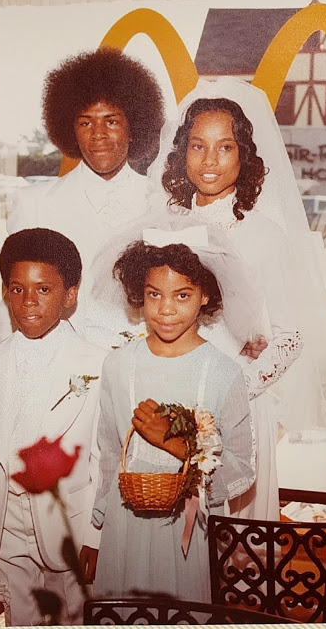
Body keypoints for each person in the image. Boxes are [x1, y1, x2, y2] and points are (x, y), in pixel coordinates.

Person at [149, 78, 326, 520]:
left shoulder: (263, 235)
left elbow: (290, 337)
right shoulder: (164, 229)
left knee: (234, 554)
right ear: (182, 154)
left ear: (245, 155)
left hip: (237, 407)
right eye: (198, 147)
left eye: (225, 147)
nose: (210, 161)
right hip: (167, 404)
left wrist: (237, 389)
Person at [84, 216, 256, 601]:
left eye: (182, 295)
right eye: (153, 295)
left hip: (184, 534)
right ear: (138, 295)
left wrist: (180, 448)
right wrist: (93, 532)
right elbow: (110, 455)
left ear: (205, 295)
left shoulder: (224, 373)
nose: (165, 309)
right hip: (122, 527)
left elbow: (242, 468)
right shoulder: (117, 366)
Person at [0, 228, 106, 626]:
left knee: (72, 618)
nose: (28, 303)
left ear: (69, 295)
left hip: (69, 526)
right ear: (5, 291)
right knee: (20, 618)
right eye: (18, 289)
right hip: (4, 524)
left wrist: (96, 535)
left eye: (43, 290)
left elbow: (104, 460)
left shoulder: (97, 364)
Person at [1, 48, 165, 345]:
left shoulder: (164, 203)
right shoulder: (34, 205)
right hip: (61, 373)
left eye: (111, 121)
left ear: (134, 128)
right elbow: (13, 304)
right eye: (85, 122)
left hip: (143, 367)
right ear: (69, 130)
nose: (98, 134)